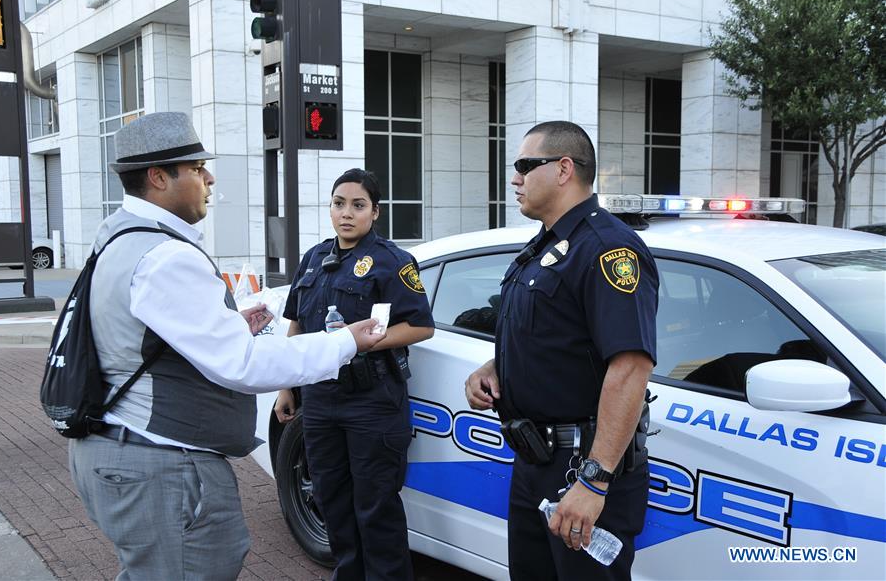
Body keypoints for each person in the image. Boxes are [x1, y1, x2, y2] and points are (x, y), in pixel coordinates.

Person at [68, 112, 385, 581]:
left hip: (120, 449)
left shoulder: (118, 237)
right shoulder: (166, 255)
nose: (209, 178)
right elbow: (242, 365)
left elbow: (133, 339)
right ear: (159, 177)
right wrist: (344, 342)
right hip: (160, 464)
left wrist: (225, 325)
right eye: (197, 169)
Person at [464, 121, 658, 580]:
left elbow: (630, 367)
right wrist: (496, 367)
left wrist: (594, 480)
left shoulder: (608, 248)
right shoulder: (547, 247)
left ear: (564, 169)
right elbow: (555, 336)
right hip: (535, 462)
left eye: (524, 166)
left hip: (581, 469)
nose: (515, 179)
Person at [274, 168, 435, 580]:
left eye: (358, 205)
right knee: (332, 501)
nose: (347, 213)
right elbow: (295, 325)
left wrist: (361, 341)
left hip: (373, 403)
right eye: (338, 203)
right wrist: (285, 386)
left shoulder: (393, 262)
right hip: (322, 404)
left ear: (375, 212)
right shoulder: (313, 260)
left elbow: (420, 325)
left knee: (376, 507)